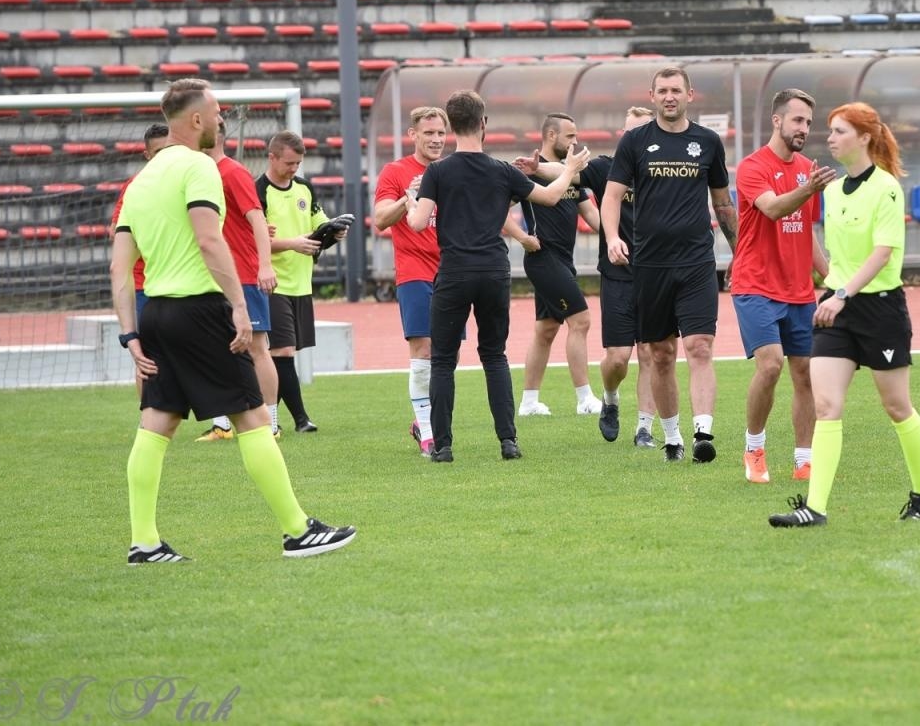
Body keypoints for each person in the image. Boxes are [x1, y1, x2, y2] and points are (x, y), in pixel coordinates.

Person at [110, 78, 355, 563]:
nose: (223, 120)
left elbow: (119, 266)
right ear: (197, 119)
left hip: (155, 311)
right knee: (253, 414)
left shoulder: (142, 180)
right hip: (201, 309)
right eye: (218, 112)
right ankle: (297, 531)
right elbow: (208, 239)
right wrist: (237, 306)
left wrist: (130, 333)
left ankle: (144, 542)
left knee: (156, 422)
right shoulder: (200, 167)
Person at [769, 103, 920, 528]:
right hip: (837, 308)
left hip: (879, 310)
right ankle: (815, 507)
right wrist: (832, 291)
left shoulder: (887, 188)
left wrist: (841, 292)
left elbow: (883, 254)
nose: (829, 137)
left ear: (863, 137)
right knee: (826, 405)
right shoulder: (830, 189)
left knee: (897, 407)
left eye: (839, 130)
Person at [406, 90, 588, 463]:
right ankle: (508, 441)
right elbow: (551, 197)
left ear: (452, 126)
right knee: (494, 356)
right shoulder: (501, 169)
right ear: (484, 123)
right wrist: (570, 169)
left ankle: (442, 446)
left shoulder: (437, 171)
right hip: (493, 270)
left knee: (442, 360)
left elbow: (418, 222)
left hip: (454, 271)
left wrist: (411, 202)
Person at [602, 68, 736, 463]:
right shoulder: (635, 142)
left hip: (696, 261)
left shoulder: (708, 143)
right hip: (650, 264)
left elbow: (722, 203)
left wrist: (740, 251)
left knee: (699, 346)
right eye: (662, 91)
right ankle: (672, 437)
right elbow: (611, 198)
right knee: (660, 354)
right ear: (653, 95)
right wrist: (612, 237)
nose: (669, 96)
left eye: (676, 90)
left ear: (690, 95)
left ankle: (703, 433)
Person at [733, 88, 837, 483]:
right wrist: (809, 188)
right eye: (797, 120)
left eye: (808, 123)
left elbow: (807, 230)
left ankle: (803, 459)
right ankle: (754, 448)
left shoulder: (807, 167)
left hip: (798, 291)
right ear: (777, 121)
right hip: (756, 285)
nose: (804, 129)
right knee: (771, 365)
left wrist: (831, 277)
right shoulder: (752, 167)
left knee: (806, 373)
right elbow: (774, 209)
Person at [194, 114, 283, 442]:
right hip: (212, 276)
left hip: (244, 273)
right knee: (216, 348)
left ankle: (271, 422)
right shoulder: (202, 173)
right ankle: (223, 423)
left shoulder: (233, 172)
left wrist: (264, 265)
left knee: (258, 347)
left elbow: (257, 219)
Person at [572, 106, 658, 446]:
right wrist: (537, 168)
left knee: (650, 353)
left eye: (640, 130)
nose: (632, 137)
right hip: (618, 275)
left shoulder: (664, 170)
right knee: (619, 358)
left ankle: (644, 429)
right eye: (628, 131)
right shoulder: (606, 167)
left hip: (656, 274)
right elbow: (567, 173)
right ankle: (610, 398)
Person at [372, 105, 449, 456]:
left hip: (451, 271)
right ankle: (430, 433)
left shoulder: (452, 170)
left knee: (446, 354)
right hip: (414, 270)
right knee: (423, 348)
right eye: (428, 133)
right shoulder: (396, 171)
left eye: (440, 133)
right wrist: (408, 198)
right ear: (413, 135)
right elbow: (380, 220)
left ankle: (423, 420)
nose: (435, 139)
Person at [517, 112, 604, 419]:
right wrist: (522, 238)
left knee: (546, 329)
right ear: (551, 136)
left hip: (562, 261)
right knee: (580, 321)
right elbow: (497, 213)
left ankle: (528, 402)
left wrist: (622, 234)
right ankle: (585, 399)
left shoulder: (571, 173)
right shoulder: (529, 171)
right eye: (570, 136)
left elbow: (592, 216)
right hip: (543, 259)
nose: (575, 142)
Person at [257, 131, 344, 434]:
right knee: (282, 351)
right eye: (289, 163)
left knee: (283, 354)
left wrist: (331, 233)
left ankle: (253, 412)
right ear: (272, 157)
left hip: (301, 282)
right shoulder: (259, 192)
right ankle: (299, 419)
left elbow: (316, 229)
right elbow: (253, 242)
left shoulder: (305, 189)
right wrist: (292, 244)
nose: (294, 168)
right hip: (272, 283)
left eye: (298, 163)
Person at [111, 122, 171, 327]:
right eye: (158, 152)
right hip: (144, 284)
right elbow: (115, 233)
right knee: (150, 354)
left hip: (180, 282)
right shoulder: (135, 185)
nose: (165, 156)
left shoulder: (187, 179)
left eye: (169, 150)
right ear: (147, 155)